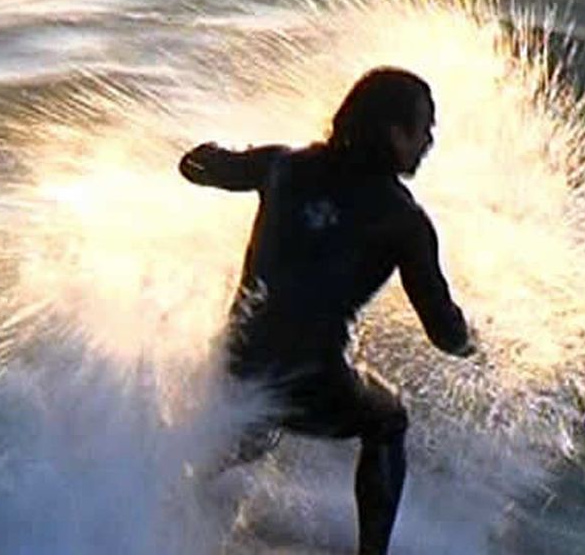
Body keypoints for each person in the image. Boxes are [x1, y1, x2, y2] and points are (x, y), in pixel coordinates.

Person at [178, 67, 476, 555]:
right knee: (387, 420)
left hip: (239, 361)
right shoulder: (405, 221)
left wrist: (210, 153)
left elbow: (197, 167)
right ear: (392, 133)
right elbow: (444, 331)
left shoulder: (282, 165)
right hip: (308, 381)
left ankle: (167, 489)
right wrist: (472, 343)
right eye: (421, 129)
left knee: (253, 425)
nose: (427, 142)